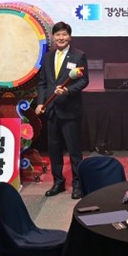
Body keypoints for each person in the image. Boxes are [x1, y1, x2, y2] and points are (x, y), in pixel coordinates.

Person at [35, 21, 89, 199]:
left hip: (70, 111)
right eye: (58, 34)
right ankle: (58, 182)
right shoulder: (48, 57)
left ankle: (78, 184)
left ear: (70, 37)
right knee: (54, 149)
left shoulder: (78, 55)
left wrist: (67, 90)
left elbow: (84, 81)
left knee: (74, 151)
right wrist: (40, 103)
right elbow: (43, 83)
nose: (61, 38)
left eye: (64, 34)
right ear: (53, 37)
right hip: (51, 110)